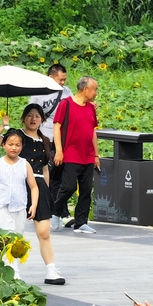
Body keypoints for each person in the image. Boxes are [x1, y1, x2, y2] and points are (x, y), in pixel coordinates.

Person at [17, 104, 64, 285]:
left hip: (39, 186)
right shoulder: (17, 136)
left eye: (37, 116)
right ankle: (12, 269)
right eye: (29, 115)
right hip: (19, 184)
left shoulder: (45, 140)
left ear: (42, 120)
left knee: (44, 232)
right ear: (24, 118)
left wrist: (46, 189)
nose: (33, 119)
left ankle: (51, 270)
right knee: (15, 231)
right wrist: (2, 126)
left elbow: (45, 168)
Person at [53, 76, 100, 234]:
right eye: (95, 89)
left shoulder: (91, 107)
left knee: (86, 189)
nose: (96, 93)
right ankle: (55, 211)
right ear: (85, 89)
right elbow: (56, 127)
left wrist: (96, 155)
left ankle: (81, 222)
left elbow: (92, 132)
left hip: (87, 154)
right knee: (69, 186)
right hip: (71, 153)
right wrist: (59, 150)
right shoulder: (66, 104)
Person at [29, 64, 72, 231]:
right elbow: (31, 114)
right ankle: (52, 211)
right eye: (60, 79)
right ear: (51, 77)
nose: (62, 82)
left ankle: (61, 212)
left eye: (64, 79)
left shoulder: (67, 92)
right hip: (45, 139)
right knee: (50, 175)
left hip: (62, 140)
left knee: (61, 177)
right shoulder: (39, 92)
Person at [0, 128, 38, 233]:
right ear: (3, 145)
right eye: (10, 144)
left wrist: (33, 205)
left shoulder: (25, 164)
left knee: (17, 240)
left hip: (19, 208)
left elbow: (33, 186)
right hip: (0, 208)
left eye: (17, 145)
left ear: (22, 146)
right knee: (3, 238)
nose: (14, 148)